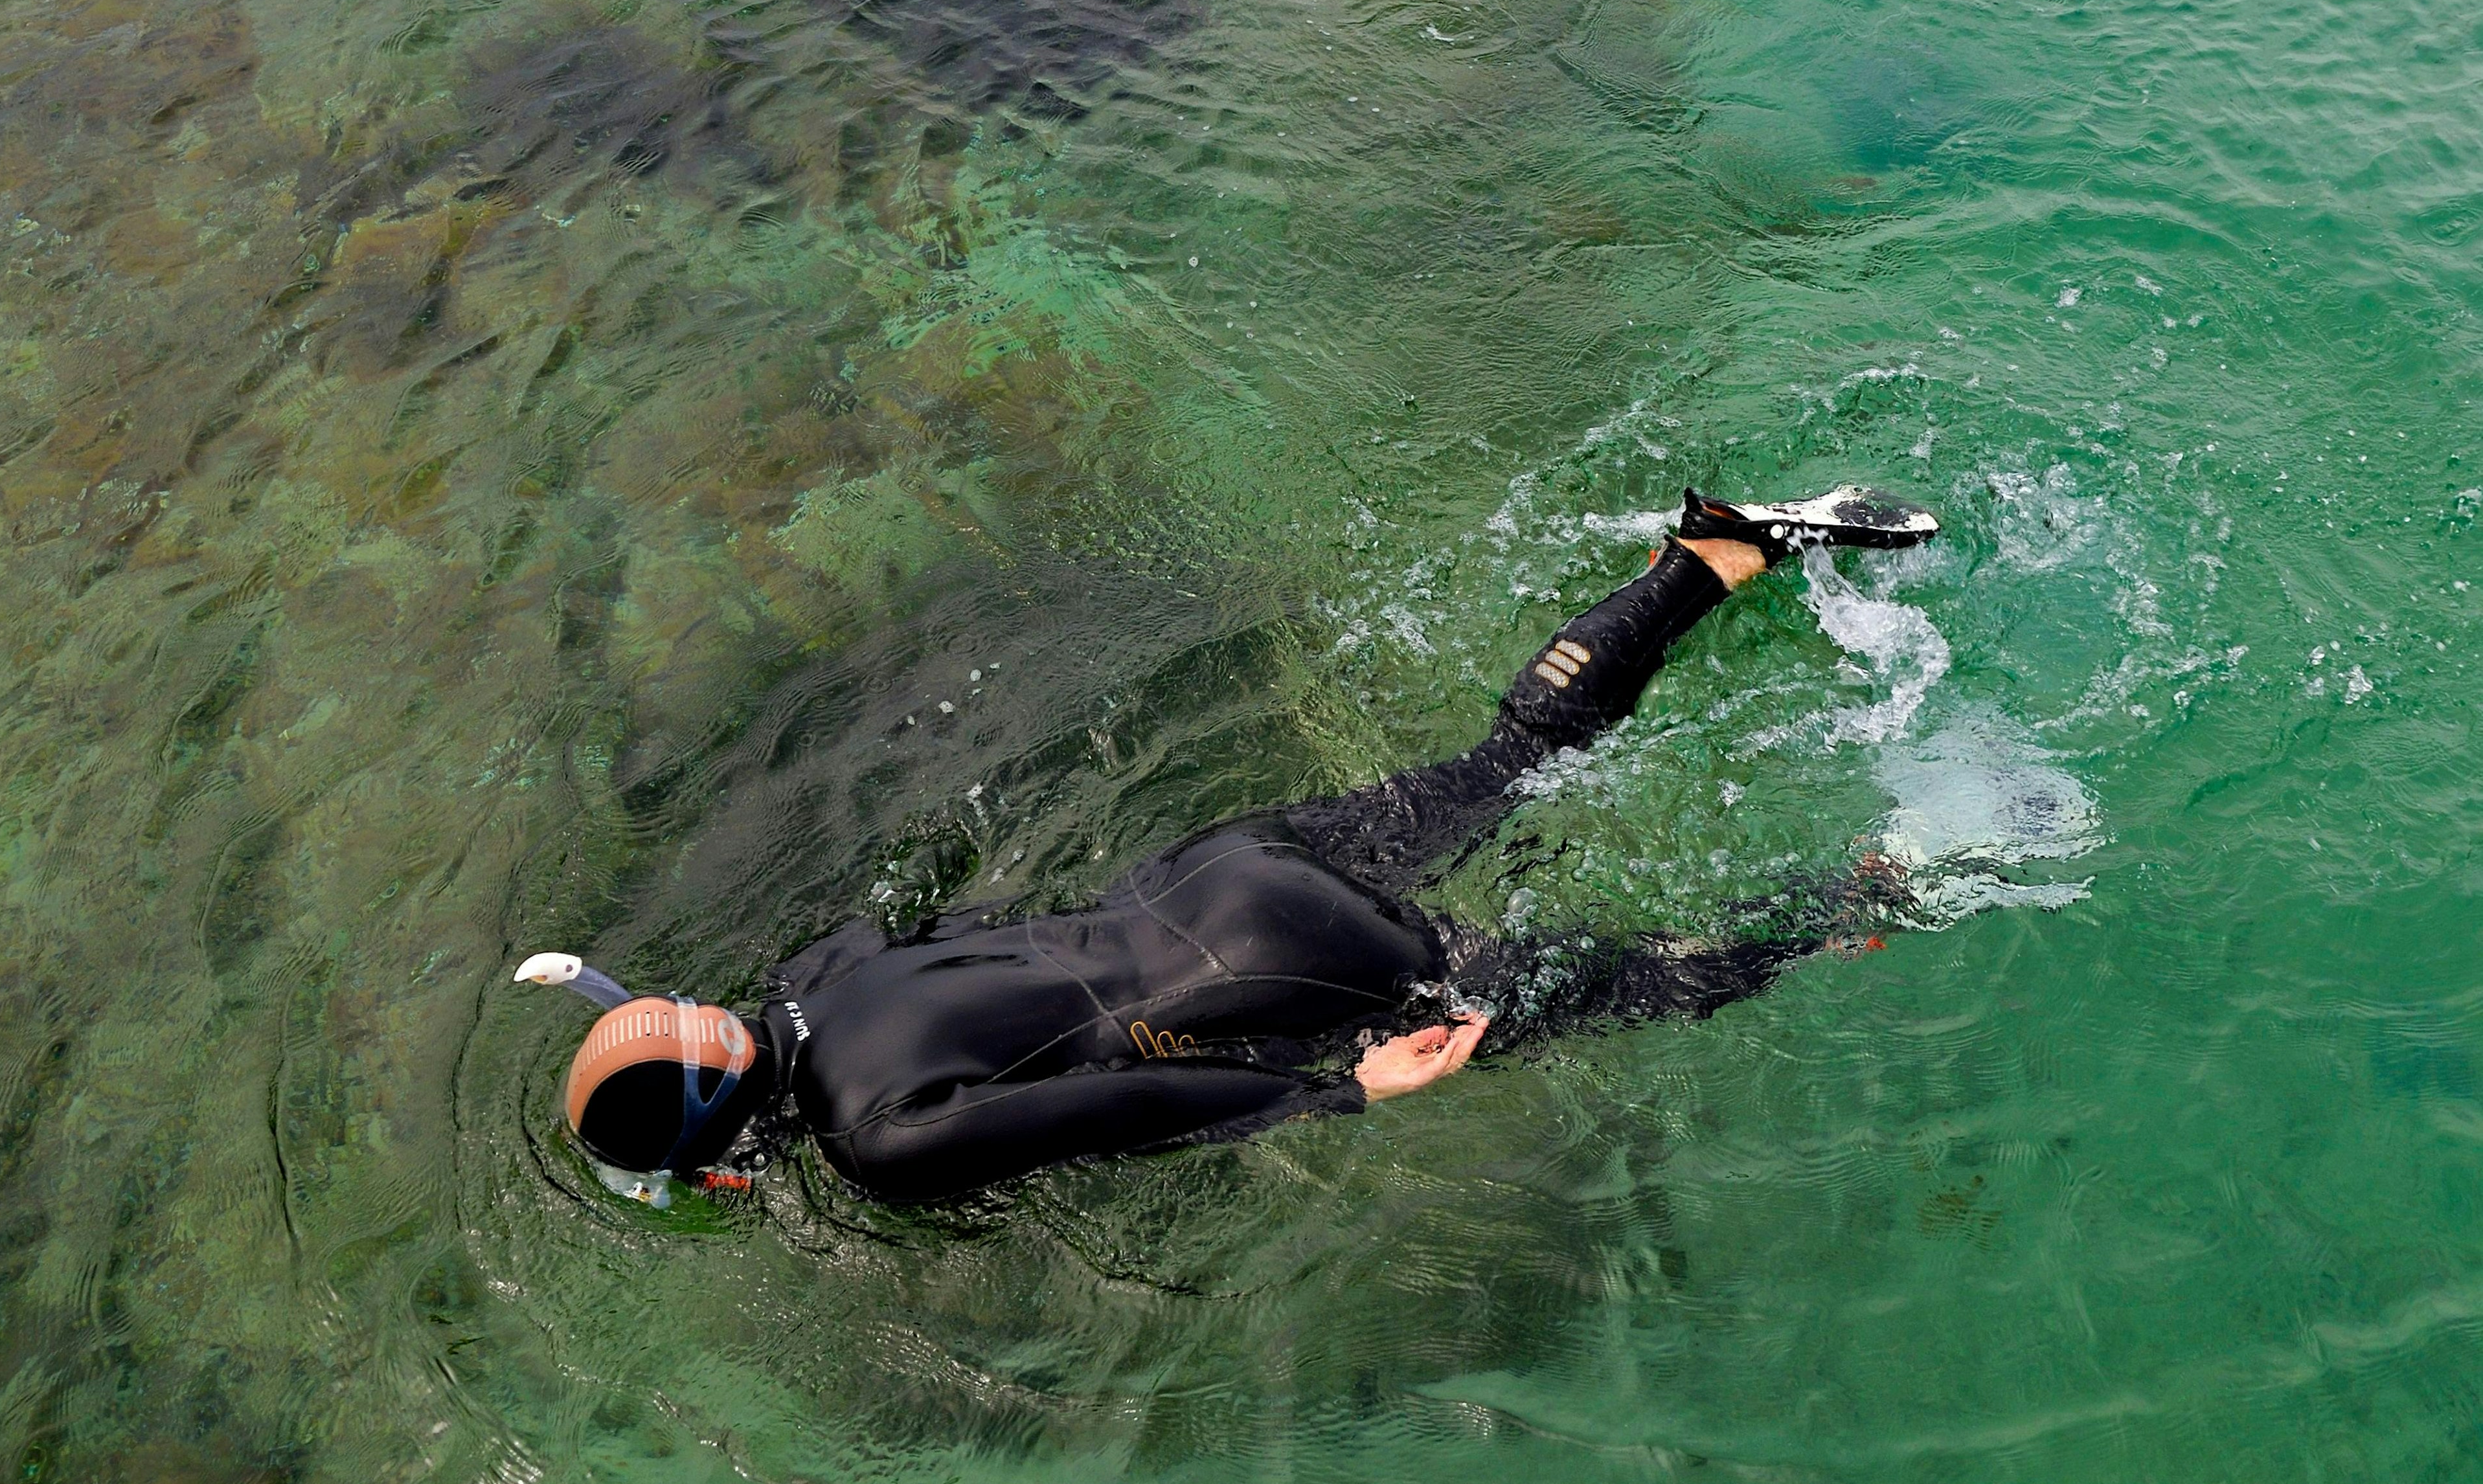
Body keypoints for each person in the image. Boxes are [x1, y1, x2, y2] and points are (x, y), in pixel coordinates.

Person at [517, 486, 1937, 1211]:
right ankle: (1713, 557)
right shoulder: (810, 961)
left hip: (1277, 976)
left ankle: (1876, 894)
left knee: (1608, 985)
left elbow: (1116, 1114)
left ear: (720, 1160)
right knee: (1511, 761)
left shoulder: (874, 1143)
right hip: (1210, 873)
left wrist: (1343, 1099)